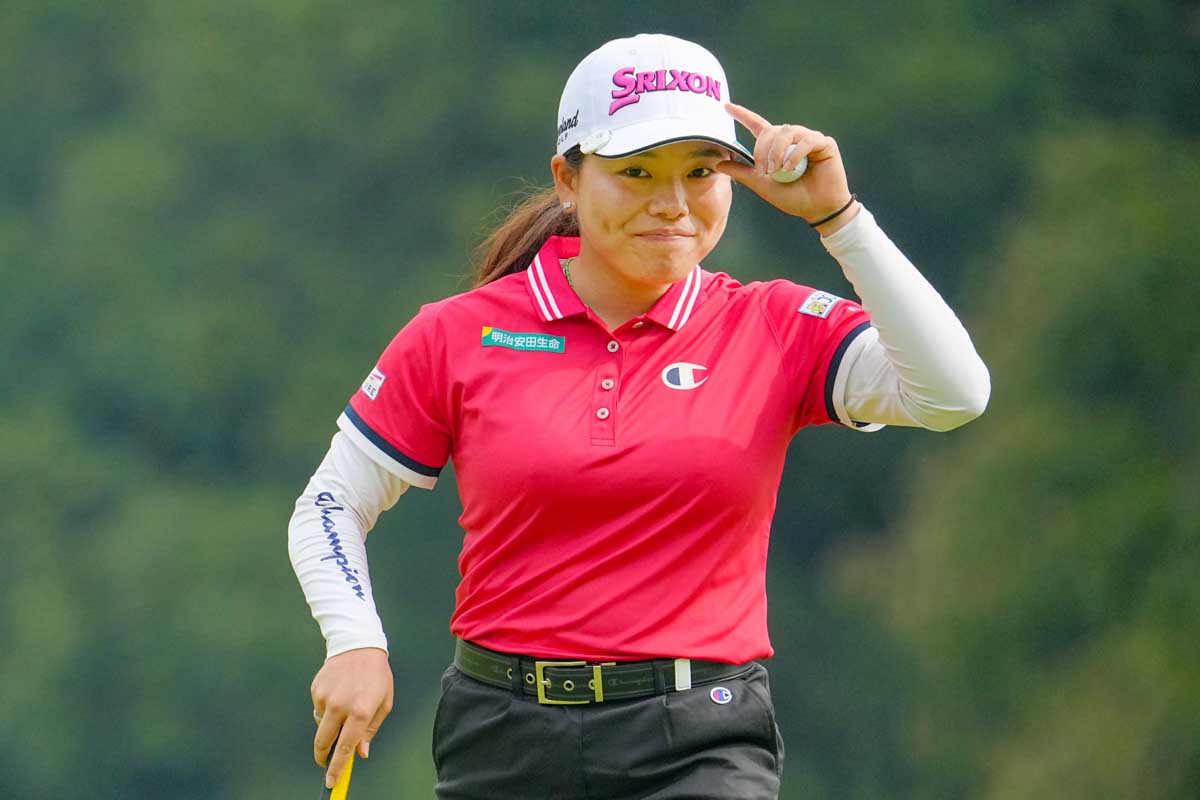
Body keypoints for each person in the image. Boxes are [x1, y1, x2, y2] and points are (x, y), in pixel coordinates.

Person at [288, 32, 989, 800]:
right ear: (568, 179)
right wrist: (355, 643)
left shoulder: (774, 325)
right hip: (501, 737)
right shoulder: (461, 332)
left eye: (701, 172)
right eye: (637, 172)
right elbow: (332, 502)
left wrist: (840, 219)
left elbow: (953, 394)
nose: (673, 204)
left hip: (700, 740)